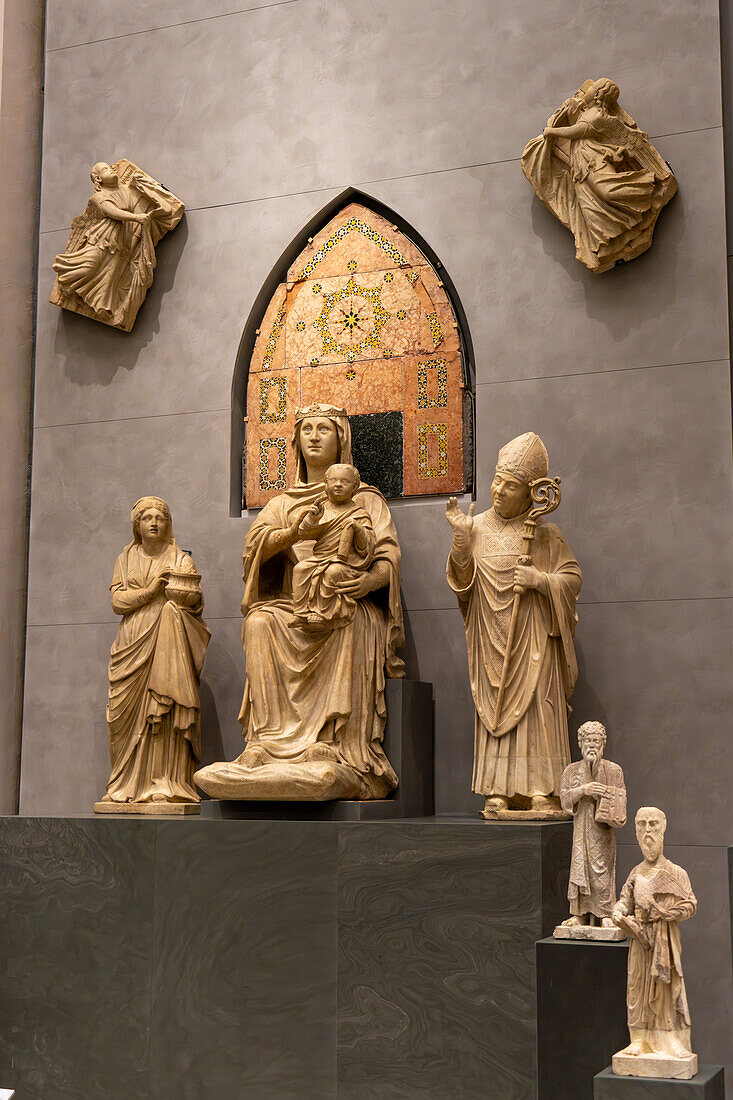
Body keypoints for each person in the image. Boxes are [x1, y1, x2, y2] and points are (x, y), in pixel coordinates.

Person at [194, 404, 404, 802]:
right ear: (295, 441)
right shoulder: (282, 502)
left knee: (348, 621)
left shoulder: (367, 500)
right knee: (260, 623)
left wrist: (364, 583)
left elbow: (388, 559)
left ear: (341, 438)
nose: (313, 436)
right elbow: (255, 552)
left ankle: (330, 740)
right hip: (294, 603)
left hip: (344, 599)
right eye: (306, 429)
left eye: (324, 428)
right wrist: (293, 532)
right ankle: (265, 742)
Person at [446, 432, 582, 818]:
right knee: (495, 708)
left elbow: (571, 579)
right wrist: (459, 541)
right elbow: (462, 583)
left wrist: (540, 581)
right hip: (491, 639)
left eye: (511, 486)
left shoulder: (544, 533)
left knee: (538, 705)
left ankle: (542, 788)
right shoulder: (476, 528)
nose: (499, 491)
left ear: (530, 494)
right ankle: (498, 790)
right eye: (497, 480)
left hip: (534, 640)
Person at [98, 496, 210, 808]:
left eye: (160, 517)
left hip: (167, 643)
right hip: (132, 641)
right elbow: (117, 602)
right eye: (147, 518)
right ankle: (123, 784)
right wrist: (150, 591)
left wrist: (181, 599)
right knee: (122, 715)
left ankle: (166, 782)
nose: (154, 522)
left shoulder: (179, 559)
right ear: (137, 525)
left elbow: (195, 600)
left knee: (165, 710)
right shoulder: (125, 558)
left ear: (168, 523)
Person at [521, 78, 677, 273]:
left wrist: (551, 131)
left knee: (607, 192)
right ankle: (608, 242)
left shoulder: (597, 117)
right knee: (588, 207)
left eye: (591, 88)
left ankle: (645, 189)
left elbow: (576, 131)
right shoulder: (586, 112)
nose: (586, 90)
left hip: (594, 162)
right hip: (581, 166)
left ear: (597, 94)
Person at [612, 808, 698, 1075]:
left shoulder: (676, 872)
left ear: (663, 829)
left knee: (665, 988)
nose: (647, 831)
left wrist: (668, 914)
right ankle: (639, 1040)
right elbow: (624, 901)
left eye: (652, 825)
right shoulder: (635, 873)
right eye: (641, 825)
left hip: (665, 942)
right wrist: (618, 913)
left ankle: (670, 1039)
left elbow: (691, 903)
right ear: (636, 832)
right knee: (637, 988)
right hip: (640, 942)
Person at [51, 160, 184, 330]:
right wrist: (136, 218)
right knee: (90, 265)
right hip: (102, 238)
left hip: (120, 242)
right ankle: (68, 282)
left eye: (111, 167)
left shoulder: (125, 190)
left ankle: (103, 306)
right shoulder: (98, 197)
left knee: (110, 276)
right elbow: (110, 211)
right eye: (106, 169)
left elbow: (139, 201)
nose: (112, 169)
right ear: (98, 179)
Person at [557, 721, 626, 931]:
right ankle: (579, 914)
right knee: (579, 870)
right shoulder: (571, 771)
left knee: (601, 871)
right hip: (580, 832)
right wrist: (584, 790)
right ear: (580, 743)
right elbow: (564, 799)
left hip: (602, 833)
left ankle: (604, 913)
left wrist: (603, 794)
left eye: (596, 741)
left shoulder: (614, 770)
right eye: (588, 741)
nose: (592, 745)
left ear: (603, 743)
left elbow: (621, 799)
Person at [291, 462, 376, 631]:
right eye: (334, 481)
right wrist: (312, 519)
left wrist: (357, 528)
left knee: (333, 572)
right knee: (300, 569)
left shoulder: (359, 514)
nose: (338, 485)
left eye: (344, 482)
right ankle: (301, 612)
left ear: (354, 486)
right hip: (320, 558)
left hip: (345, 563)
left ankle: (322, 612)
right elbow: (304, 534)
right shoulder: (321, 509)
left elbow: (367, 546)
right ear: (326, 484)